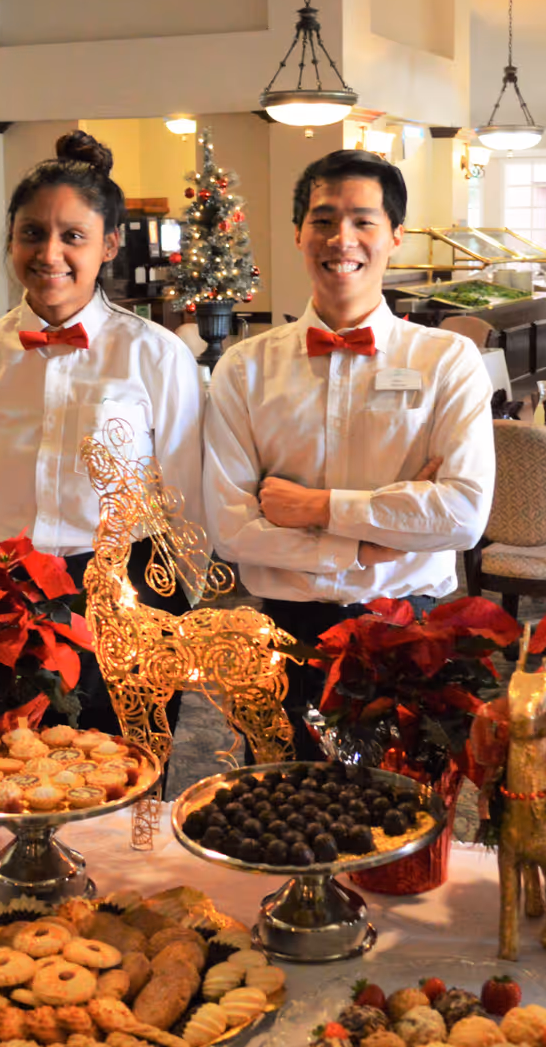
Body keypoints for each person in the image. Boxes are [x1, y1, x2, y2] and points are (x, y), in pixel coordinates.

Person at [203, 150, 495, 759]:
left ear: (395, 235)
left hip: (406, 626)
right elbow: (231, 531)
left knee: (404, 817)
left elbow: (463, 516)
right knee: (285, 819)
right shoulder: (243, 369)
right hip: (286, 631)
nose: (343, 239)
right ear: (298, 234)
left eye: (363, 220)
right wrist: (370, 541)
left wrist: (314, 506)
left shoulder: (446, 361)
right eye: (324, 219)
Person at [0, 130, 204, 735]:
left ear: (108, 244)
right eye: (32, 233)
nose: (50, 254)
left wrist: (166, 606)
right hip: (5, 590)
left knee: (127, 768)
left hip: (124, 588)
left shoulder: (156, 355)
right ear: (10, 239)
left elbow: (186, 495)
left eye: (73, 236)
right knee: (7, 766)